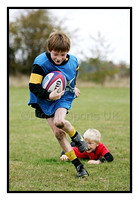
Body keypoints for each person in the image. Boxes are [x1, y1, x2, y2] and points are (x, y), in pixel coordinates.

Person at [28, 31, 89, 177]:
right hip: (43, 98)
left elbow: (72, 76)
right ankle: (79, 167)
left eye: (63, 54)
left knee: (60, 121)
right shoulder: (40, 62)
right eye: (55, 54)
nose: (59, 58)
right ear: (49, 49)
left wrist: (73, 86)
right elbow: (33, 86)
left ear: (67, 51)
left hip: (63, 96)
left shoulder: (74, 61)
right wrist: (49, 95)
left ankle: (76, 137)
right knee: (58, 133)